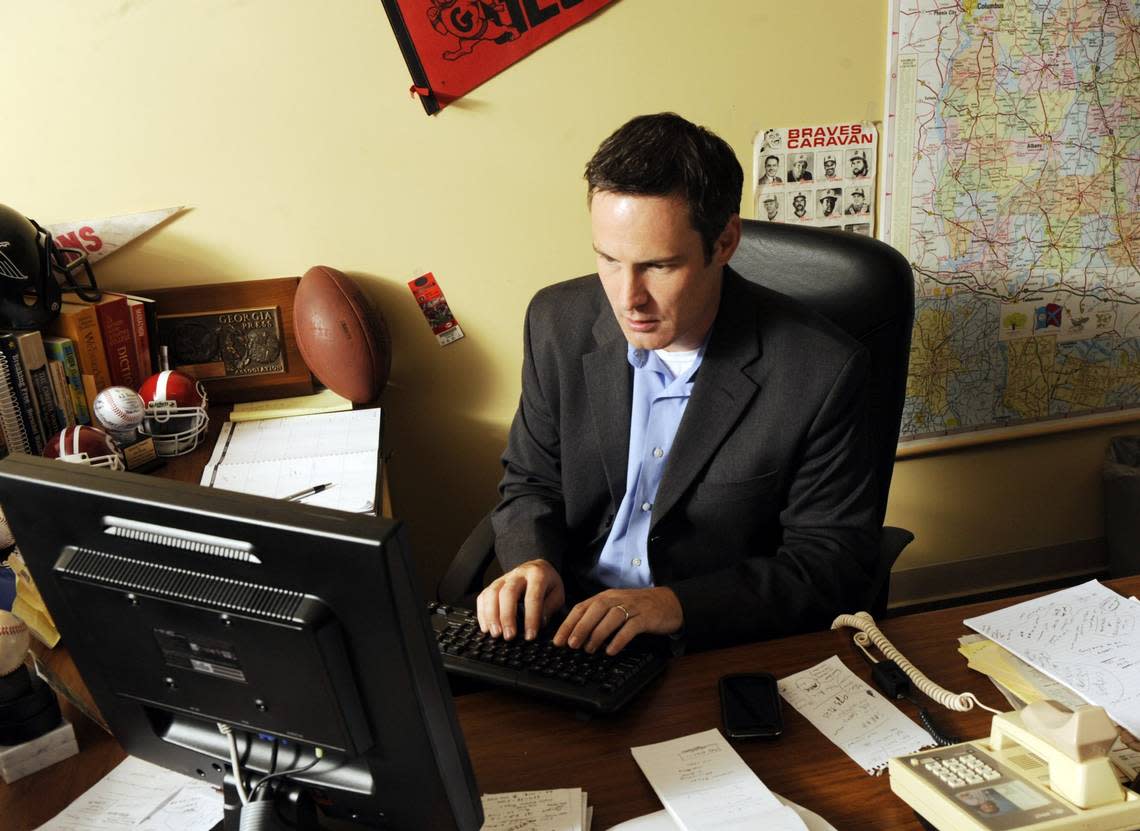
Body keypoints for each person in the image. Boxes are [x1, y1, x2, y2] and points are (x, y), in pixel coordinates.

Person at [477, 112, 878, 656]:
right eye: (608, 260)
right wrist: (532, 561)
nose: (627, 298)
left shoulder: (821, 371)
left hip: (709, 639)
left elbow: (829, 564)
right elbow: (531, 481)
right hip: (567, 624)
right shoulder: (556, 321)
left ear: (725, 241)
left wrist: (675, 605)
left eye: (658, 266)